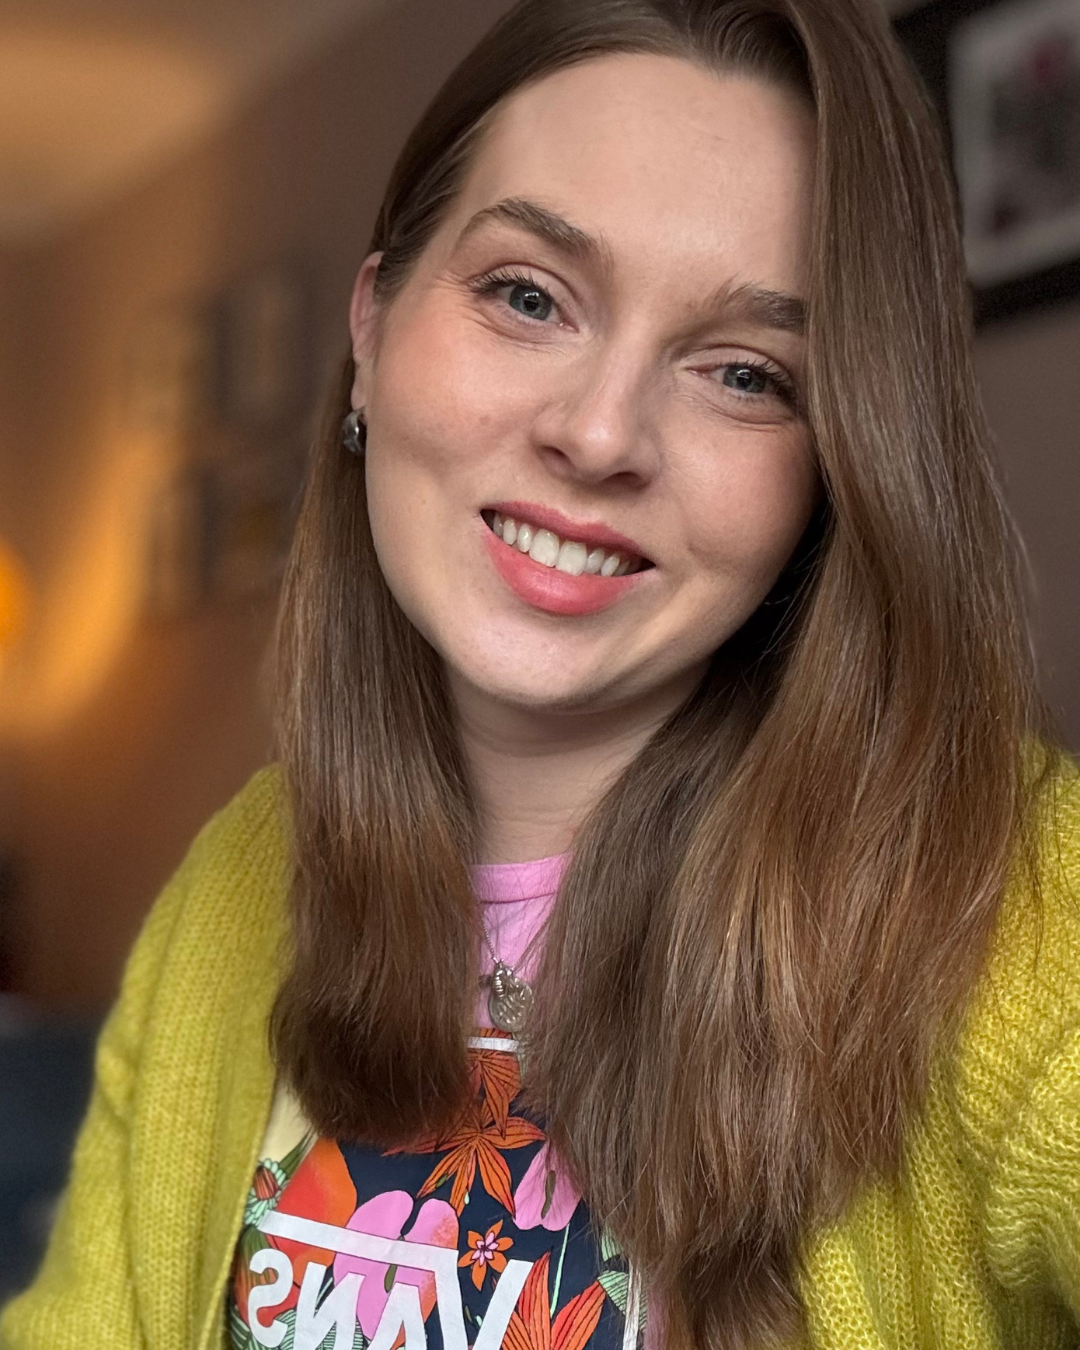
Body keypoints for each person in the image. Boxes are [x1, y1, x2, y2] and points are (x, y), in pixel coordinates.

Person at [4, 0, 1079, 1346]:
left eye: (746, 372)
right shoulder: (235, 882)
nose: (600, 429)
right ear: (375, 321)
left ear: (832, 466)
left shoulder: (1014, 903)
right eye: (528, 294)